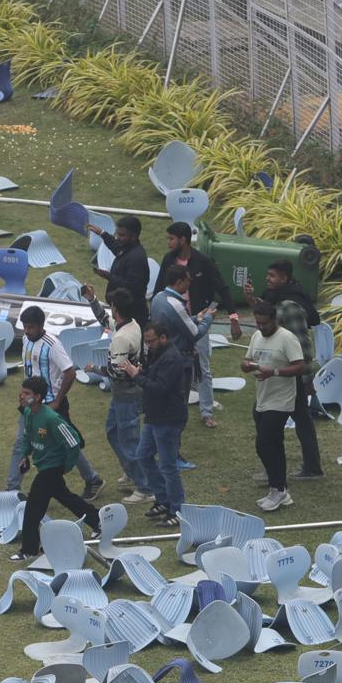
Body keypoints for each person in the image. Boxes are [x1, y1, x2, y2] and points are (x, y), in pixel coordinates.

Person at [8, 307, 102, 497]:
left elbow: (70, 372)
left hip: (51, 406)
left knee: (66, 442)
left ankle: (93, 479)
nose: (26, 331)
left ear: (41, 325)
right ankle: (12, 489)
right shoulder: (26, 339)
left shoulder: (52, 345)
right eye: (24, 327)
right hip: (30, 404)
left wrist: (57, 401)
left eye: (30, 327)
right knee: (20, 444)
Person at [11, 376, 101, 564]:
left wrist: (65, 466)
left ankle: (29, 550)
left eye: (26, 393)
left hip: (52, 468)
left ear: (37, 397)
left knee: (33, 507)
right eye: (22, 391)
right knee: (65, 497)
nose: (21, 395)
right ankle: (97, 520)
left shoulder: (51, 418)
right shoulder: (28, 412)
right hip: (43, 466)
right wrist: (25, 455)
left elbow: (73, 442)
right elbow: (28, 436)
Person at [250, 260, 327, 478]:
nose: (268, 279)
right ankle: (310, 467)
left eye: (272, 276)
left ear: (284, 278)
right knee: (299, 419)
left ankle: (276, 467)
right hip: (280, 377)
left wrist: (307, 379)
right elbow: (266, 313)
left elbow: (303, 346)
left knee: (267, 418)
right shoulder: (276, 298)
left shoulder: (290, 307)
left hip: (292, 377)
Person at [155, 222, 232, 428]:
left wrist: (232, 315)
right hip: (175, 323)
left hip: (195, 318)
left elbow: (221, 285)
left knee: (202, 368)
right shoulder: (168, 260)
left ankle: (206, 412)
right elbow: (159, 288)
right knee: (171, 365)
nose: (168, 242)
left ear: (183, 240)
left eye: (171, 239)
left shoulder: (202, 261)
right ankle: (170, 407)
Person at [242, 300, 306, 513]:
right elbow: (247, 359)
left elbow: (300, 366)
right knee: (275, 446)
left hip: (281, 400)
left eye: (265, 323)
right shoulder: (256, 336)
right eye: (258, 323)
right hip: (262, 398)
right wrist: (246, 365)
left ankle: (277, 488)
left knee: (263, 444)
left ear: (274, 320)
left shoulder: (287, 338)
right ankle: (280, 489)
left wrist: (275, 372)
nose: (261, 327)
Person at [88, 288, 149, 504]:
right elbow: (105, 320)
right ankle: (132, 472)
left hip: (127, 395)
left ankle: (145, 488)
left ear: (115, 308)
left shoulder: (122, 338)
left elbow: (116, 372)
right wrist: (92, 300)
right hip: (122, 394)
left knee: (130, 440)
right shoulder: (131, 324)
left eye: (111, 305)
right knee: (113, 432)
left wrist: (94, 368)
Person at [130, 321, 190, 526]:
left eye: (151, 341)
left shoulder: (171, 358)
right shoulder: (158, 353)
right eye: (146, 342)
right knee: (143, 455)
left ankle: (177, 510)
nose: (148, 345)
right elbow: (153, 378)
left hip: (168, 418)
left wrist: (137, 376)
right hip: (155, 416)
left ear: (163, 338)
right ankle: (163, 499)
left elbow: (159, 388)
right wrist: (141, 372)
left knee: (168, 466)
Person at [94, 216, 152, 327]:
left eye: (121, 235)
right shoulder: (128, 247)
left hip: (132, 316)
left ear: (133, 236)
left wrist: (109, 276)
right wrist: (102, 234)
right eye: (117, 233)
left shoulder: (137, 258)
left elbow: (133, 286)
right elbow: (116, 247)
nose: (117, 237)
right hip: (123, 312)